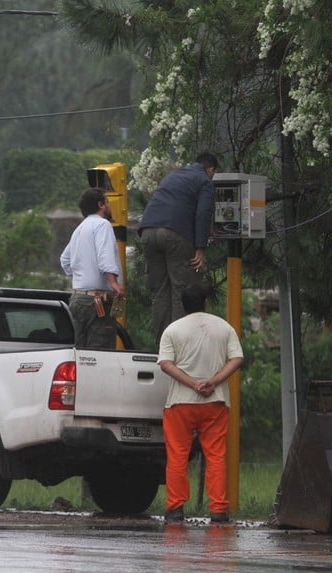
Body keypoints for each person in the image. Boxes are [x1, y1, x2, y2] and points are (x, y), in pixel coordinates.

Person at [157, 285, 243, 523]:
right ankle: (218, 509)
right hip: (215, 402)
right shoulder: (224, 327)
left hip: (180, 403)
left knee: (177, 455)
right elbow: (237, 358)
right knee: (215, 455)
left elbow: (165, 363)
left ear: (183, 305)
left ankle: (175, 508)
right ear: (205, 303)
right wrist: (213, 381)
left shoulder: (173, 330)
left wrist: (193, 384)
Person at [138, 152, 218, 346]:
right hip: (175, 233)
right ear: (211, 170)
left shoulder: (173, 175)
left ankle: (162, 348)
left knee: (159, 293)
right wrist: (200, 247)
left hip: (148, 231)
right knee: (181, 292)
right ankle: (180, 348)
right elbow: (203, 213)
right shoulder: (205, 181)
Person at [60, 187, 125, 348]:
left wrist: (82, 275)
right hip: (97, 301)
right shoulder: (103, 225)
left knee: (79, 353)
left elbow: (65, 260)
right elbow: (105, 257)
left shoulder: (80, 228)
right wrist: (114, 283)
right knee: (99, 353)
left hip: (78, 299)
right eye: (108, 202)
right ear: (101, 204)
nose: (110, 206)